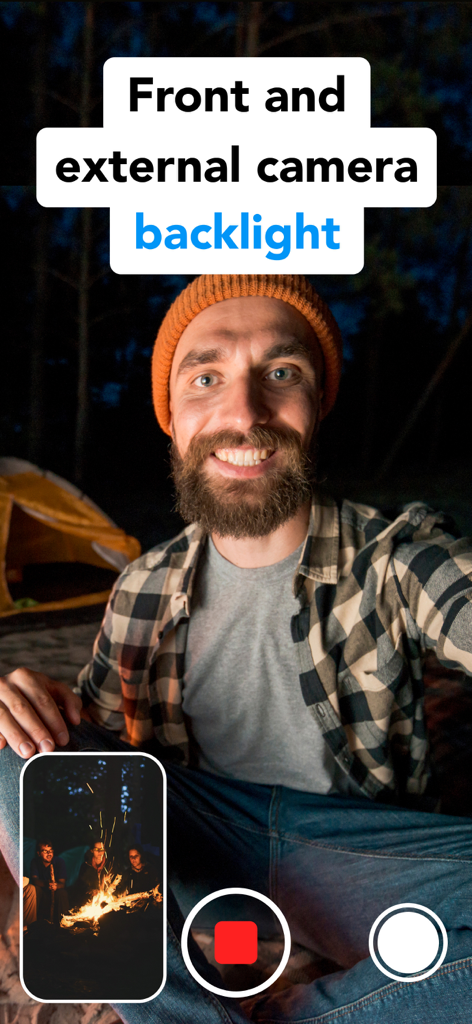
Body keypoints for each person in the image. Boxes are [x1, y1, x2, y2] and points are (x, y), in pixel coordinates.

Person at [1, 274, 472, 1022]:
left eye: (280, 374)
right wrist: (29, 708)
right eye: (207, 376)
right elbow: (87, 754)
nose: (244, 414)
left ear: (317, 404)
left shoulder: (397, 556)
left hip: (359, 854)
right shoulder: (142, 588)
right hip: (204, 858)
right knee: (14, 754)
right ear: (173, 416)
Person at [29, 840, 68, 924]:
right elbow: (34, 880)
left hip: (55, 893)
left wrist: (56, 886)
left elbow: (62, 883)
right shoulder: (35, 862)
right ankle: (32, 924)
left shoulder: (59, 862)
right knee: (34, 889)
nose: (49, 854)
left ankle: (63, 923)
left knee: (62, 893)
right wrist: (47, 884)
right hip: (42, 893)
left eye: (50, 851)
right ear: (39, 853)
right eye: (45, 851)